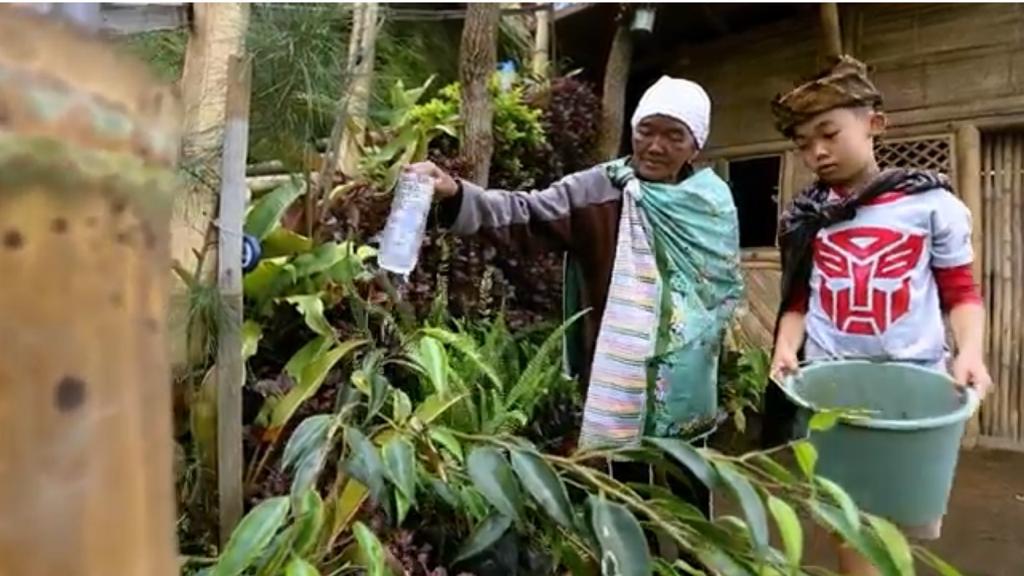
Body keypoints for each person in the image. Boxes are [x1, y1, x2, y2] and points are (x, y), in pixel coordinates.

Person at [406, 76, 744, 517]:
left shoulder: (710, 204)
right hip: (617, 373)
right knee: (626, 487)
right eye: (647, 130)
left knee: (688, 491)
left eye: (674, 135)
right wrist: (455, 192)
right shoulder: (600, 189)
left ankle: (698, 554)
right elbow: (524, 211)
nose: (656, 146)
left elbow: (720, 286)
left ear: (695, 146)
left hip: (687, 376)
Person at [766, 55, 992, 575]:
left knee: (896, 521)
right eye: (803, 143)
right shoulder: (809, 219)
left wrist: (971, 353)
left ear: (874, 124)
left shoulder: (930, 205)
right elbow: (797, 300)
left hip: (909, 388)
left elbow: (961, 292)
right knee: (846, 520)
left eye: (829, 133)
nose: (817, 152)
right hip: (832, 392)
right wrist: (784, 345)